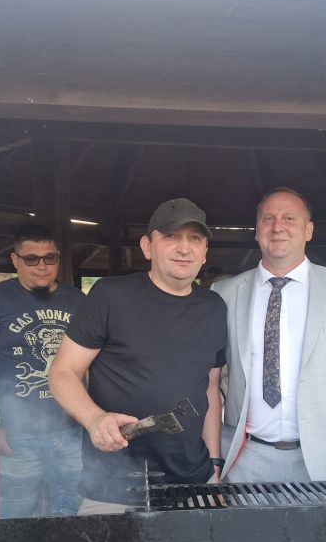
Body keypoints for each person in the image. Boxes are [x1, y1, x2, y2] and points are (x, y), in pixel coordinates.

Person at [49, 198, 227, 515]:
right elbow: (63, 372)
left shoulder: (213, 307)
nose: (184, 247)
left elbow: (210, 389)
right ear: (147, 246)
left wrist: (214, 464)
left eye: (195, 238)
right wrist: (94, 419)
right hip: (113, 484)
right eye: (171, 236)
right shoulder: (110, 295)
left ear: (204, 253)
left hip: (193, 481)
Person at [212, 187, 326, 483]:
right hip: (245, 459)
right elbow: (206, 380)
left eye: (289, 218)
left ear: (308, 230)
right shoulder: (224, 293)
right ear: (256, 231)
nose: (278, 227)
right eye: (268, 219)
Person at [0, 225, 86, 517]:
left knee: (69, 514)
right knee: (16, 516)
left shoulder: (78, 301)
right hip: (15, 435)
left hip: (71, 431)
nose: (42, 266)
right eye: (31, 259)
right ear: (15, 260)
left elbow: (91, 366)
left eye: (50, 258)